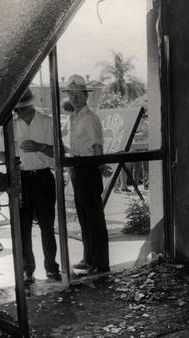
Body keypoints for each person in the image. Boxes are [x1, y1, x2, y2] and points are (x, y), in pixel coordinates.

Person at [0, 89, 60, 284]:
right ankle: (27, 270)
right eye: (17, 110)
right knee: (23, 227)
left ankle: (52, 268)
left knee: (47, 226)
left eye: (22, 109)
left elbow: (59, 152)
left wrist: (40, 147)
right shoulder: (8, 124)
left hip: (43, 177)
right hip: (20, 180)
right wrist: (10, 161)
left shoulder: (47, 122)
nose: (19, 113)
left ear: (31, 106)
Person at [62, 75, 109, 274]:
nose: (74, 98)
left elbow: (97, 147)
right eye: (71, 95)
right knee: (84, 218)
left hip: (89, 169)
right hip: (77, 169)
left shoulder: (90, 118)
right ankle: (88, 258)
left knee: (95, 219)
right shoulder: (73, 118)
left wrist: (100, 167)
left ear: (86, 96)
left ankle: (101, 263)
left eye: (78, 95)